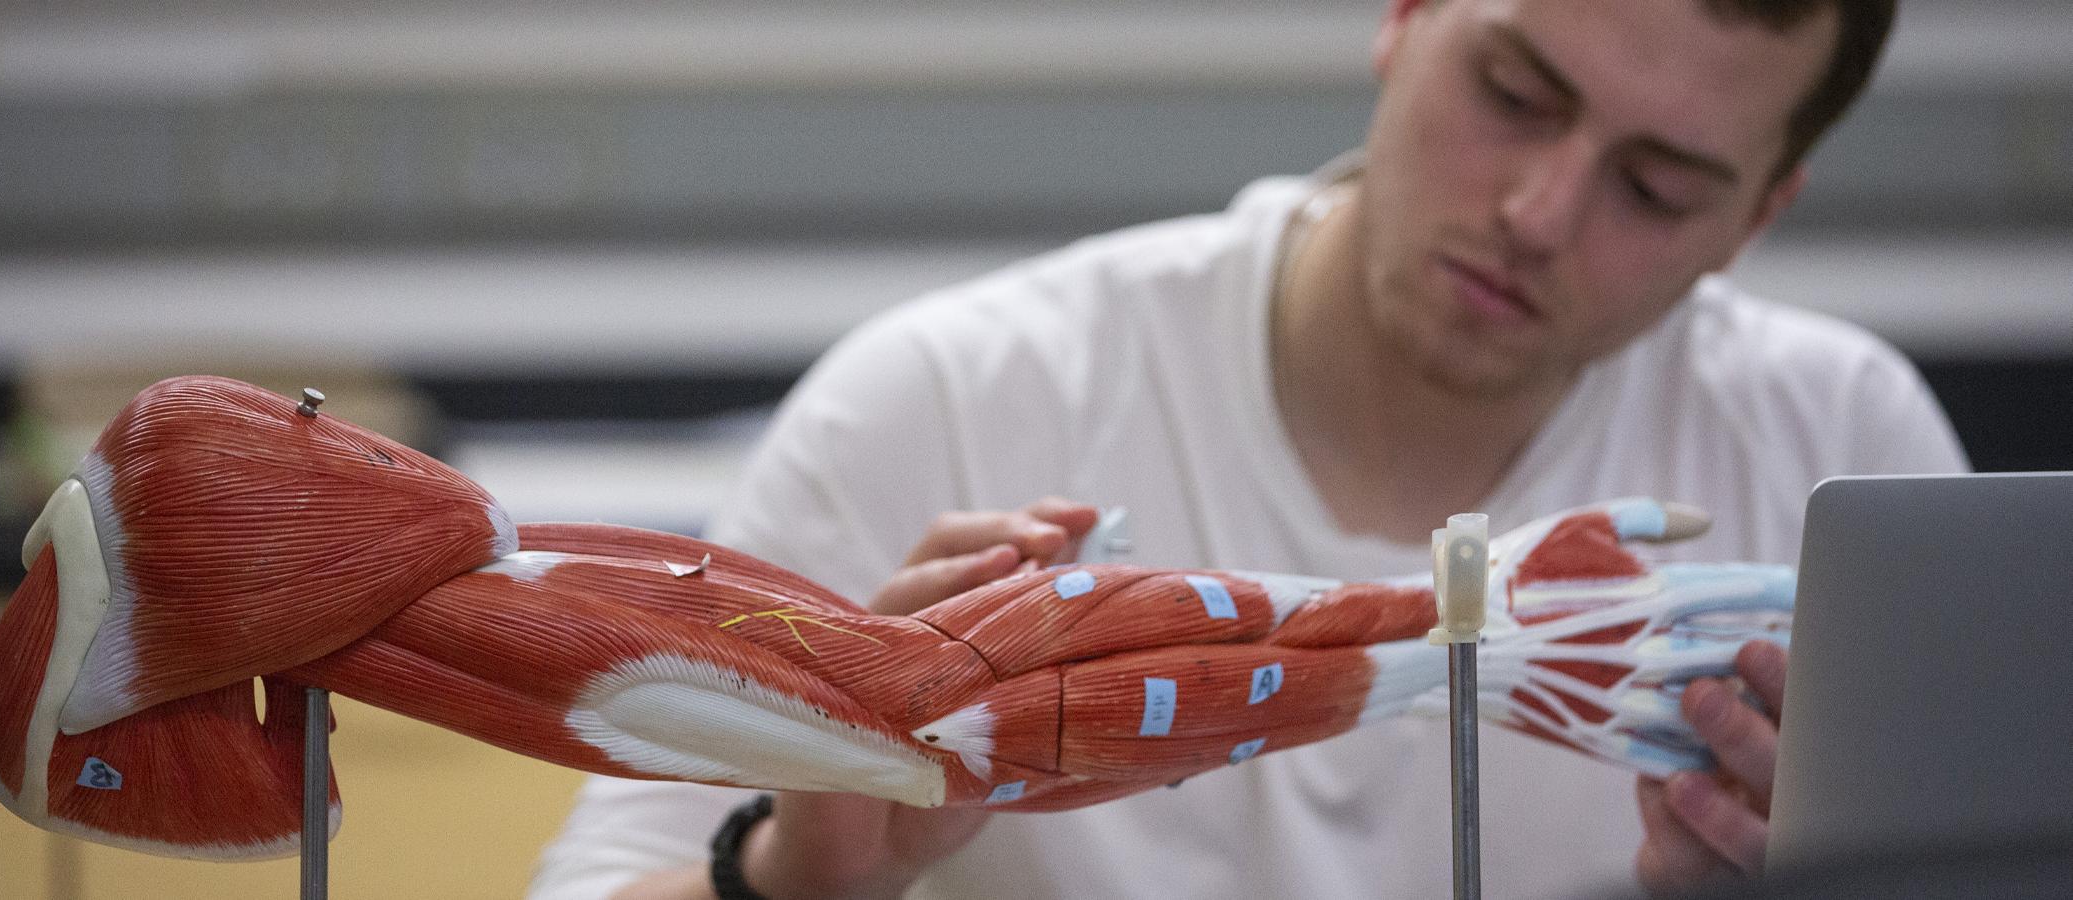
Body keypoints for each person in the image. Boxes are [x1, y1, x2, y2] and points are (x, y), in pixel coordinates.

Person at [528, 0, 1967, 896]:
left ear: (1759, 216)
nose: (1539, 210)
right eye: (1515, 95)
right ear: (1407, 14)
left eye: (1657, 188)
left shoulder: (1847, 459)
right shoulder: (944, 403)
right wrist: (795, 880)